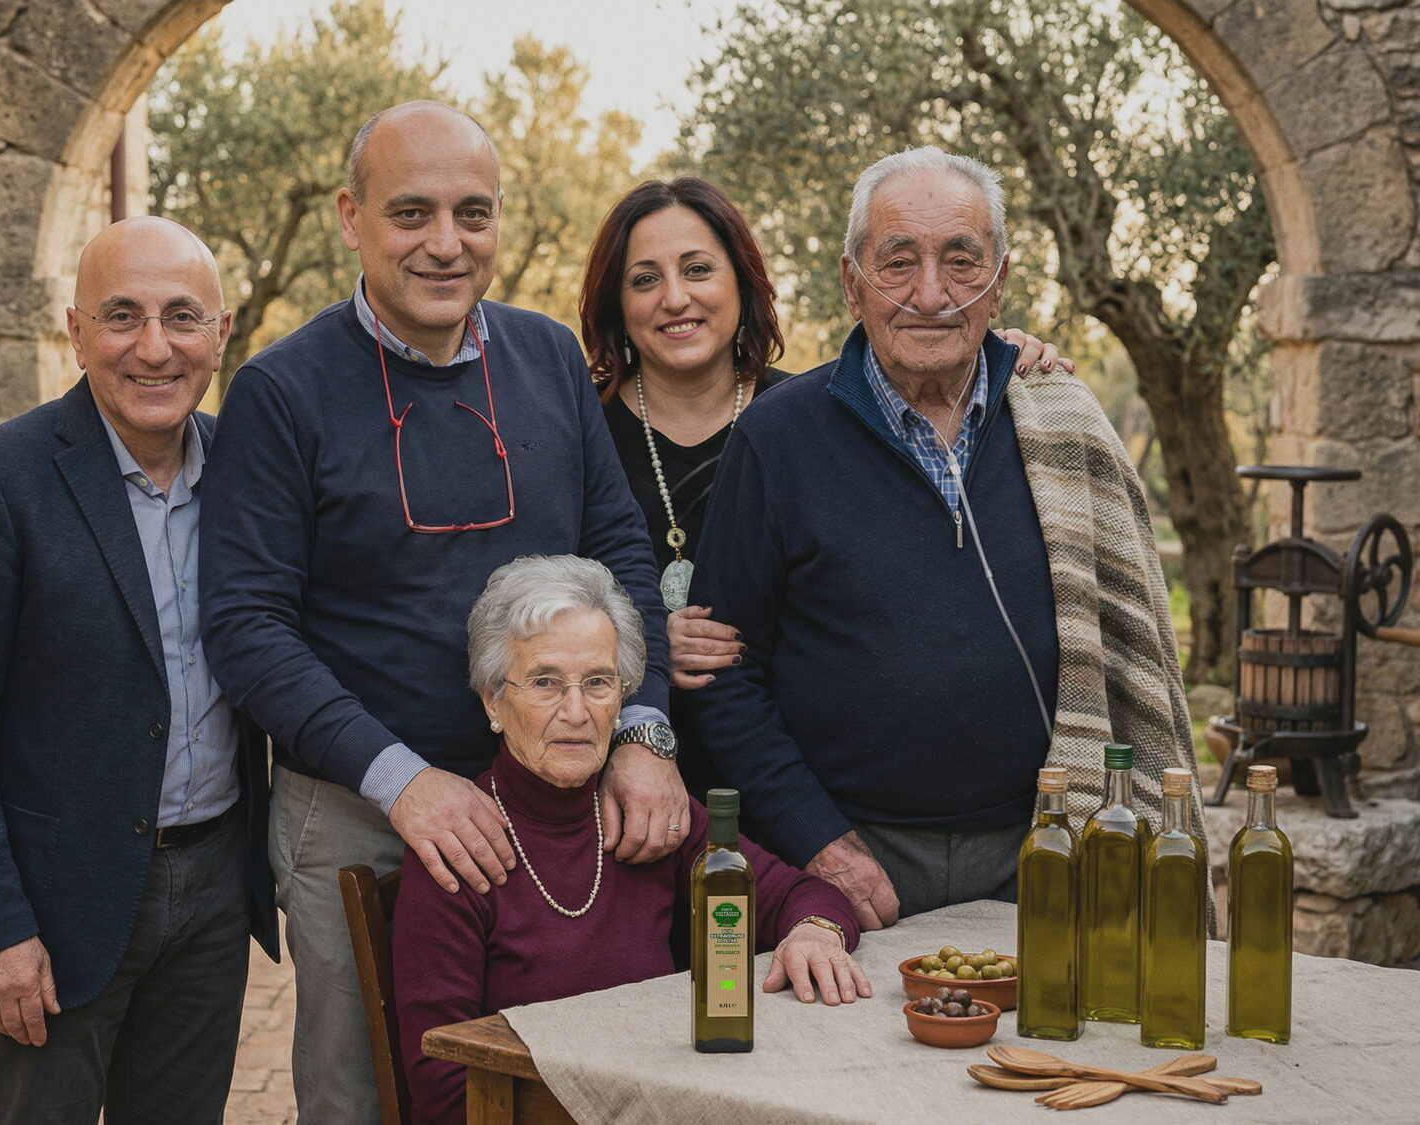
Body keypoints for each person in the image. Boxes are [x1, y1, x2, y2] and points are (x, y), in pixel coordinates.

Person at [198, 101, 687, 1125]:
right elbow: (247, 627)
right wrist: (405, 781)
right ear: (351, 218)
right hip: (358, 809)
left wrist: (643, 732)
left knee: (563, 1081)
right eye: (411, 212)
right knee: (365, 1095)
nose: (446, 243)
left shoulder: (549, 357)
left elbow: (622, 553)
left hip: (552, 797)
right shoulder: (280, 391)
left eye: (473, 213)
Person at [688, 147, 1201, 932]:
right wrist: (818, 840)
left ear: (1000, 280)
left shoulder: (1063, 424)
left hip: (1051, 845)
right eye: (898, 263)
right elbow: (725, 674)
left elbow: (1131, 649)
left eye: (962, 262)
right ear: (852, 282)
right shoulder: (776, 438)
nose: (930, 295)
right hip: (851, 862)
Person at [0, 216, 278, 1123]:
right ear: (75, 330)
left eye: (181, 316)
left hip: (216, 888)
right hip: (54, 902)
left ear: (221, 334)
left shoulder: (251, 473)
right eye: (121, 316)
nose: (154, 347)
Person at [578, 176, 1071, 801]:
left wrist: (997, 356)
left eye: (698, 269)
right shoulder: (577, 432)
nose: (676, 298)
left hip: (784, 787)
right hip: (619, 781)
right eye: (645, 279)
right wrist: (637, 651)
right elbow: (532, 597)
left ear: (742, 282)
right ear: (616, 303)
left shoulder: (816, 420)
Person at [395, 555, 867, 1125]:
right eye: (545, 683)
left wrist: (814, 933)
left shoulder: (649, 812)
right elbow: (443, 1085)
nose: (576, 711)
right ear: (494, 701)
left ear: (623, 698)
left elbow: (803, 895)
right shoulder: (459, 844)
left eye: (598, 682)